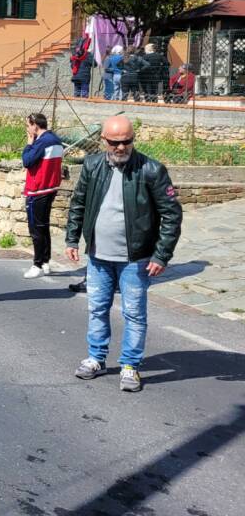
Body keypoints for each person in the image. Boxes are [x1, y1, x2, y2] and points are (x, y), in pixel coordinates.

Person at [64, 115, 182, 392]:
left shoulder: (151, 170)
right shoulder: (93, 166)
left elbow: (171, 215)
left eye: (126, 142)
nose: (120, 148)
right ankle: (96, 358)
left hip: (136, 259)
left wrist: (161, 255)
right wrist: (72, 239)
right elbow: (78, 202)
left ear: (133, 140)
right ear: (103, 140)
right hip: (98, 255)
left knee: (134, 314)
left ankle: (130, 366)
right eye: (115, 142)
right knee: (97, 308)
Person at [21, 113, 64, 279]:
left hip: (38, 190)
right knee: (44, 226)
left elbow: (27, 160)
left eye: (28, 125)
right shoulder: (56, 139)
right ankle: (46, 261)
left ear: (35, 126)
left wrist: (29, 144)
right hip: (50, 189)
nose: (28, 129)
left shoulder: (41, 142)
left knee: (36, 229)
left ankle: (37, 264)